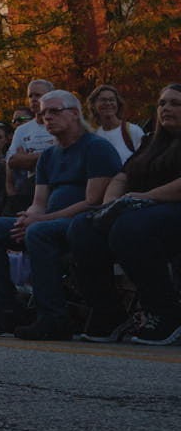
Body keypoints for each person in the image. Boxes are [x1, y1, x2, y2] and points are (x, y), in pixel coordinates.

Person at [0, 89, 121, 341]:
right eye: (43, 114)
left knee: (39, 232)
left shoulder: (97, 148)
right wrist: (28, 217)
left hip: (84, 223)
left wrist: (39, 221)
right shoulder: (48, 157)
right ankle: (7, 309)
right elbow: (39, 202)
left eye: (54, 111)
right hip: (49, 222)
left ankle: (53, 317)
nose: (47, 118)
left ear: (75, 113)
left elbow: (92, 202)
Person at [69, 83, 181, 345]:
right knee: (83, 227)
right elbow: (122, 177)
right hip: (142, 209)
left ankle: (165, 314)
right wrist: (110, 205)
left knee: (129, 228)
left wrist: (146, 197)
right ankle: (109, 313)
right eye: (162, 103)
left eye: (175, 103)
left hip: (170, 209)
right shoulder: (152, 140)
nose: (166, 108)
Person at [6, 78, 59, 213]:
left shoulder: (62, 124)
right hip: (31, 190)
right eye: (30, 96)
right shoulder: (22, 130)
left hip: (58, 185)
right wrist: (49, 154)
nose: (33, 99)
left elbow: (65, 157)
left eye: (38, 95)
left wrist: (27, 158)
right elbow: (12, 161)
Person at [86, 84, 145, 165]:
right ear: (93, 105)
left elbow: (145, 161)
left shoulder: (132, 131)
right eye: (103, 100)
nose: (108, 103)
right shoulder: (95, 136)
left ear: (118, 104)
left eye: (112, 100)